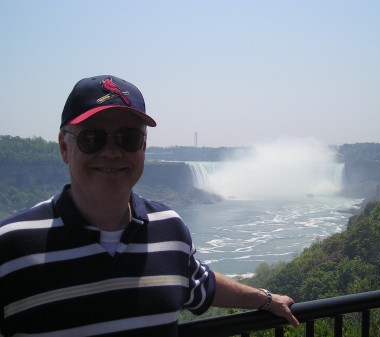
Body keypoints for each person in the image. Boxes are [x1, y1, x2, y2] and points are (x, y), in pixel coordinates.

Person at [0, 75, 299, 336]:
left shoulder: (170, 229)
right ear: (65, 147)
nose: (112, 153)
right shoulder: (11, 245)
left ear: (143, 147)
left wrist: (266, 300)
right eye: (93, 138)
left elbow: (199, 282)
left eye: (128, 138)